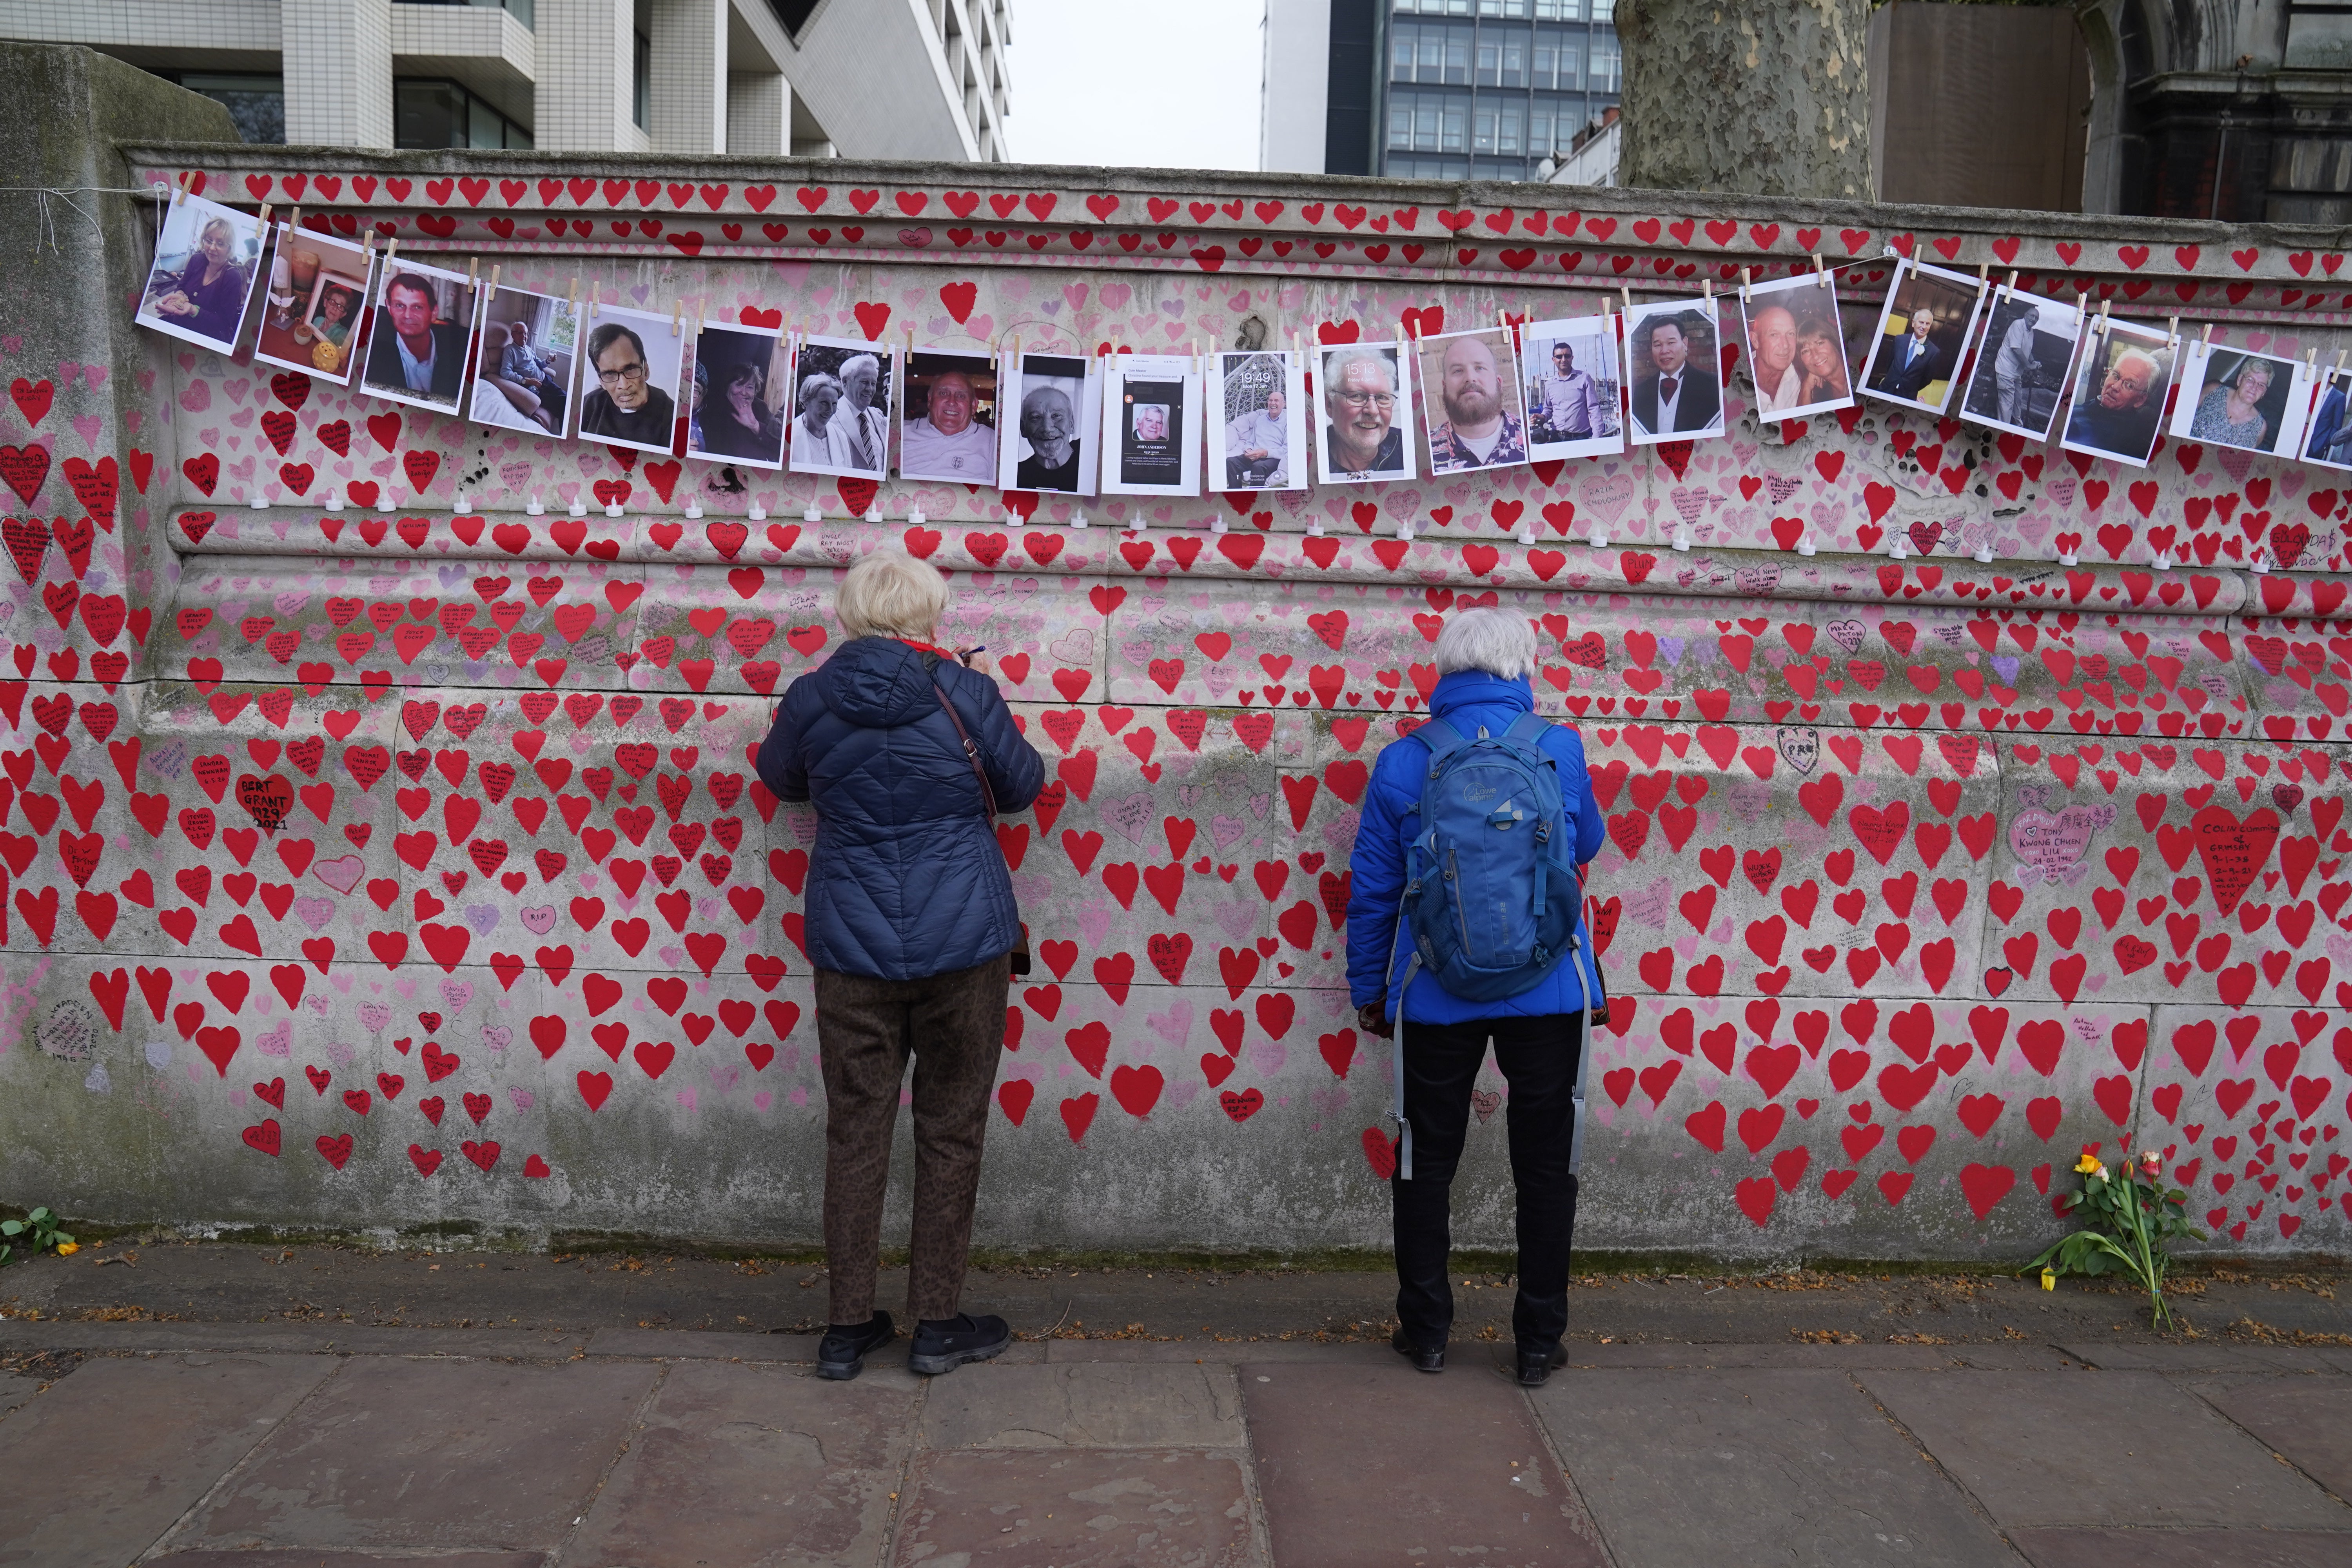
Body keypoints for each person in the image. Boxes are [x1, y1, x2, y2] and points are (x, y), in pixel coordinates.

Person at [755, 550, 1045, 1382]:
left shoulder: (812, 695)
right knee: (950, 1129)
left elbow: (782, 781)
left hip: (851, 943)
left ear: (849, 615)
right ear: (928, 614)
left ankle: (847, 1329)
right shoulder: (965, 690)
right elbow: (1022, 786)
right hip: (966, 942)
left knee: (856, 1129)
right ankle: (937, 1323)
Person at [1345, 607, 1606, 1390]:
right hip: (1549, 986)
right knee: (1545, 1165)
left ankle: (1425, 1331)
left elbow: (1374, 888)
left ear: (1447, 669)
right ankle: (1537, 1341)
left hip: (1433, 990)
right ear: (1523, 666)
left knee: (1426, 1161)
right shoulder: (1558, 747)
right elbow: (1584, 844)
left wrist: (1370, 989)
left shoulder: (1403, 759)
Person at [364, 272, 468, 404]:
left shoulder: (461, 350)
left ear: (434, 312)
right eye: (400, 306)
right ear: (389, 307)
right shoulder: (372, 349)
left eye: (417, 307)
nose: (407, 315)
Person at [1426, 334, 1526, 471]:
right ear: (1444, 387)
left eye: (1480, 368)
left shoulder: (1530, 436)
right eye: (1458, 371)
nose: (1470, 378)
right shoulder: (1426, 451)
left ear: (1499, 383)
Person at [149, 214, 252, 346]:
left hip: (201, 340)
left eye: (220, 243)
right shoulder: (196, 260)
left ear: (230, 249)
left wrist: (193, 309)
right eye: (209, 241)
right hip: (177, 326)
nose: (212, 248)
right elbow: (181, 286)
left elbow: (224, 322)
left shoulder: (232, 277)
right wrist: (180, 297)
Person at [577, 321, 676, 446]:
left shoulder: (673, 419)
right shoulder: (587, 406)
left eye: (630, 369)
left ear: (646, 370)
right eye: (610, 374)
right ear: (601, 381)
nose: (624, 385)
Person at [1628, 312, 1720, 437]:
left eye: (1671, 343)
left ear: (1685, 344)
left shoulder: (1712, 386)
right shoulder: (1641, 392)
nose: (1664, 351)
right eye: (1658, 345)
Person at [2065, 345, 2165, 459]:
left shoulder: (2125, 443)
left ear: (2140, 400)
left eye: (2129, 385)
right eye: (2116, 376)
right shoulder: (2086, 407)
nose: (2115, 387)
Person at [1321, 348, 1407, 476]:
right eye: (1357, 396)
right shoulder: (1312, 460)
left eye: (1382, 398)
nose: (1373, 410)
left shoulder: (1410, 450)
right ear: (1330, 405)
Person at [901, 370, 997, 480]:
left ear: (974, 406)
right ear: (930, 400)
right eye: (944, 394)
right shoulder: (899, 433)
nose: (952, 402)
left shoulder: (992, 442)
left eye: (961, 396)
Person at [700, 359, 784, 462]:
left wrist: (757, 427)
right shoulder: (714, 413)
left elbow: (781, 447)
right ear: (728, 387)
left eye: (750, 387)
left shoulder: (761, 408)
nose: (744, 393)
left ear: (755, 391)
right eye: (739, 385)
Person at [2189, 357, 2276, 451]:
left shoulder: (2260, 427)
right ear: (2240, 380)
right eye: (2250, 380)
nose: (2254, 388)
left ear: (2264, 393)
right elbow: (2183, 414)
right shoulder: (2213, 390)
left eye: (2261, 385)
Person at [1530, 339, 1606, 443]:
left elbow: (1594, 409)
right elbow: (1548, 409)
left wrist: (1597, 438)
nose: (1563, 359)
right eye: (1559, 356)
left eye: (1567, 356)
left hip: (1580, 439)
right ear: (1554, 359)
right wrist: (1542, 416)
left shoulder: (1584, 378)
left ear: (1572, 358)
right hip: (1556, 438)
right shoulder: (1549, 385)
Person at [1871, 303, 1946, 402]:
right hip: (1885, 390)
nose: (1924, 327)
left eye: (1927, 324)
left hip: (1907, 397)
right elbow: (1889, 363)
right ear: (1914, 323)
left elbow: (1927, 379)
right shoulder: (1899, 340)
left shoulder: (1934, 352)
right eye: (1921, 322)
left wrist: (1910, 388)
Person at [1014, 384, 1083, 490]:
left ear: (1072, 424)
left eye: (1056, 416)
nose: (1047, 428)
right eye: (1036, 418)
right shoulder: (1016, 476)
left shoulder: (1093, 458)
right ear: (1023, 428)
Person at [1224, 385, 1290, 486]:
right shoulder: (1260, 420)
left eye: (1276, 401)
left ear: (1284, 404)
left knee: (1258, 467)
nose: (1273, 403)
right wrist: (1248, 450)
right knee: (1231, 462)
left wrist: (1264, 453)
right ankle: (1236, 493)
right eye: (1270, 400)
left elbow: (1286, 449)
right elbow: (1250, 441)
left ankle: (1255, 499)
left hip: (1273, 459)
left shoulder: (1288, 422)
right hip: (1255, 457)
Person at [1990, 304, 2042, 428]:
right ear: (2026, 315)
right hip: (2006, 370)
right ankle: (2003, 429)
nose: (2034, 319)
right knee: (2007, 403)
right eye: (2032, 316)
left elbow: (2027, 350)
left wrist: (2033, 361)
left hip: (2016, 373)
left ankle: (2018, 427)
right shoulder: (2018, 325)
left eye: (2037, 318)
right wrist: (2029, 367)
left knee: (2018, 400)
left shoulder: (2031, 331)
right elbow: (2016, 349)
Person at [1748, 303, 1804, 414]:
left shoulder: (1803, 377)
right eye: (1774, 334)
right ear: (1755, 340)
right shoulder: (1736, 381)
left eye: (1791, 334)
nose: (1785, 345)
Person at [792, 372, 848, 468]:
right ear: (805, 402)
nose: (830, 410)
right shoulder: (790, 436)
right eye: (824, 403)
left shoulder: (841, 437)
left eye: (834, 404)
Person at [1794, 316, 1847, 407]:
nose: (1815, 355)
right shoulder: (1818, 396)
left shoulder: (1858, 374)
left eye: (1820, 343)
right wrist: (1806, 387)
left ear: (1834, 343)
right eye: (1806, 351)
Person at [2308, 376, 2351, 465]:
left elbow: (2337, 425)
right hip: (2305, 437)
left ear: (2329, 378)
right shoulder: (2316, 391)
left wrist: (2325, 445)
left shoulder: (2339, 397)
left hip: (2318, 444)